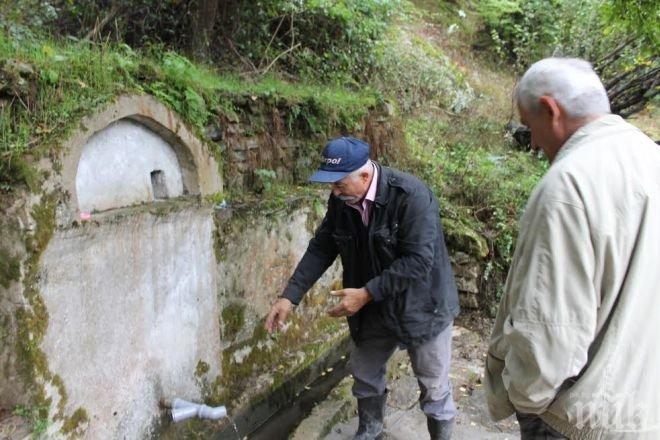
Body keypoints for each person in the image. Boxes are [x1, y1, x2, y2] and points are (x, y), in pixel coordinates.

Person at [485, 57, 660, 439]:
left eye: (531, 128)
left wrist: (523, 397)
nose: (533, 143)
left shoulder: (569, 184)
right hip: (642, 410)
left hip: (576, 418)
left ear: (550, 110)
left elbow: (550, 331)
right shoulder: (650, 158)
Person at [265, 137, 460, 440]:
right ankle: (370, 430)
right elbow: (322, 246)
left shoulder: (411, 197)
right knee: (365, 372)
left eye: (339, 184)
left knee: (434, 387)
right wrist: (290, 296)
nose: (334, 191)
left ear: (365, 176)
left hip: (423, 306)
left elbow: (419, 260)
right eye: (331, 185)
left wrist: (366, 293)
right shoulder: (342, 200)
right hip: (373, 307)